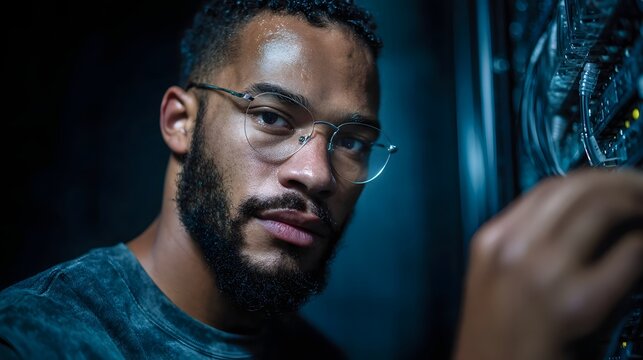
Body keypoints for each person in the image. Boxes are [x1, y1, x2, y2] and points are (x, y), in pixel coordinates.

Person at [1, 1, 642, 359]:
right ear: (180, 122)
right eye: (274, 118)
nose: (316, 173)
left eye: (352, 141)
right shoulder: (35, 340)